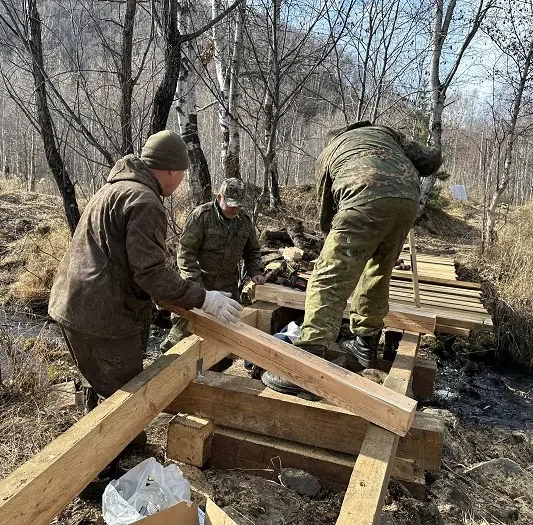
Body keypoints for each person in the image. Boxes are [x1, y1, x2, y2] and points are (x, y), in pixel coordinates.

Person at [49, 129, 243, 422]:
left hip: (70, 303)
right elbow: (150, 272)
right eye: (181, 175)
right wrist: (204, 298)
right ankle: (123, 461)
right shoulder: (145, 201)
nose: (180, 183)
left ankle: (103, 452)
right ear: (170, 170)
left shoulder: (114, 188)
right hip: (103, 316)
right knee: (128, 403)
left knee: (101, 385)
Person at [261, 121, 442, 395]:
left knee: (328, 277)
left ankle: (307, 362)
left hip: (363, 197)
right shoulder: (386, 132)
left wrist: (336, 248)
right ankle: (365, 345)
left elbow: (326, 214)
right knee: (377, 272)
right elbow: (428, 161)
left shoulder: (330, 152)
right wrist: (437, 148)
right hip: (407, 202)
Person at [160, 178, 266, 357]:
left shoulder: (244, 221)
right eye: (231, 205)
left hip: (227, 286)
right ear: (219, 197)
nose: (235, 210)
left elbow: (252, 250)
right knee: (182, 334)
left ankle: (213, 369)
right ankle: (164, 370)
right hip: (197, 283)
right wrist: (197, 288)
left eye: (239, 206)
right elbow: (186, 253)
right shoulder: (202, 216)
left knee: (225, 339)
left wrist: (256, 271)